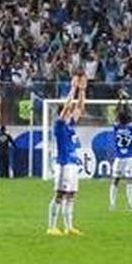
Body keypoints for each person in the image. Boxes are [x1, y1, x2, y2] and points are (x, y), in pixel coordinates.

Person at [48, 71, 86, 236]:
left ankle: (69, 226)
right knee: (59, 194)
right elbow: (68, 107)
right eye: (69, 111)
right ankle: (51, 226)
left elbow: (80, 108)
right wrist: (73, 88)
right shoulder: (59, 124)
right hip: (63, 163)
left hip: (72, 163)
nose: (72, 112)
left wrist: (83, 90)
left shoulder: (70, 125)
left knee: (71, 194)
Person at [110, 92, 132, 213]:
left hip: (119, 157)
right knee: (129, 181)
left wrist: (120, 100)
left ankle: (113, 204)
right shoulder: (131, 127)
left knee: (115, 180)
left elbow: (115, 114)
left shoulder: (116, 127)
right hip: (129, 157)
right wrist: (127, 101)